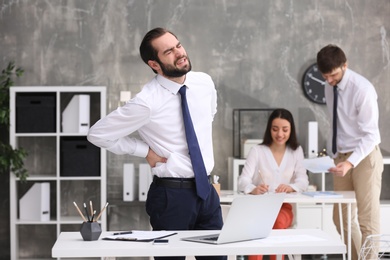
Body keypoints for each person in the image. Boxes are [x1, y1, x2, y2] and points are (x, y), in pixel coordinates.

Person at [87, 27, 226, 260]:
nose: (179, 53)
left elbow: (206, 120)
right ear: (154, 64)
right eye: (169, 51)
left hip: (207, 193)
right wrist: (144, 151)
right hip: (172, 196)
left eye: (178, 45)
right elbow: (97, 134)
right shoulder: (147, 102)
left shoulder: (204, 83)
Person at [317, 44, 383, 260]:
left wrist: (350, 162)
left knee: (367, 220)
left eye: (333, 75)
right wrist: (335, 155)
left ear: (345, 65)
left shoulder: (362, 89)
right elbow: (339, 123)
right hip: (342, 157)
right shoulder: (330, 86)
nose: (329, 81)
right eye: (325, 76)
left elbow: (371, 135)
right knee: (341, 218)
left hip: (364, 157)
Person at [238, 108, 309, 260]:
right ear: (269, 129)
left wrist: (291, 187)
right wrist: (253, 189)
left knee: (277, 222)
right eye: (275, 129)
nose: (280, 134)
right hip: (258, 208)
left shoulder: (296, 151)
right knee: (258, 226)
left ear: (291, 130)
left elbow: (303, 181)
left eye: (285, 129)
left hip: (283, 208)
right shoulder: (257, 151)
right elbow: (243, 180)